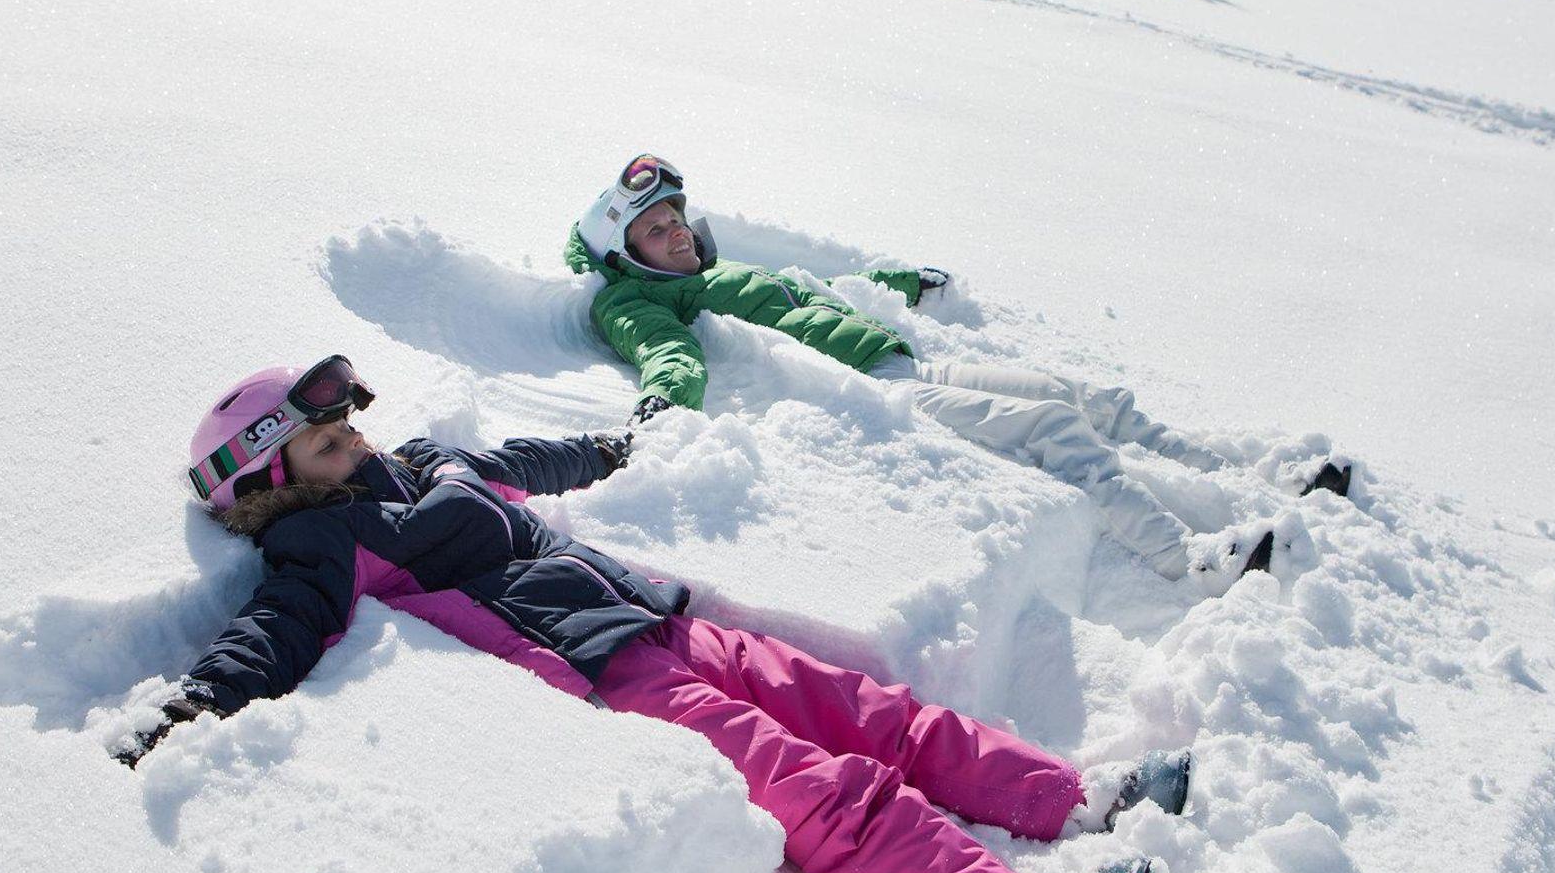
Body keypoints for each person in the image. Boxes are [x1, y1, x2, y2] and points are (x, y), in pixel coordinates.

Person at [125, 356, 1192, 873]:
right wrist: (193, 704)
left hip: (658, 617)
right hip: (607, 669)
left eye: (347, 428)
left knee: (871, 709)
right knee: (814, 786)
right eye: (325, 446)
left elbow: (520, 461)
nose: (355, 446)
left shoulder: (418, 464)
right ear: (270, 485)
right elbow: (277, 627)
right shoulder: (323, 540)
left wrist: (611, 447)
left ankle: (1068, 798)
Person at [568, 156, 1341, 589]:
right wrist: (663, 403)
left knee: (1085, 397)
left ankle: (1258, 475)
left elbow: (816, 287)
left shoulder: (711, 269)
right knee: (1053, 425)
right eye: (654, 229)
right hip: (881, 390)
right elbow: (666, 354)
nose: (675, 233)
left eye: (675, 218)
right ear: (624, 253)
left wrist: (899, 284)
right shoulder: (634, 301)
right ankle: (1191, 562)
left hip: (907, 358)